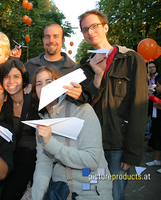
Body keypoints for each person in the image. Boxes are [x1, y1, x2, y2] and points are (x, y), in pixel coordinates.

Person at [78, 9, 148, 200]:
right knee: (89, 193)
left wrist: (131, 153)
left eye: (94, 26)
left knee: (115, 195)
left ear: (106, 27)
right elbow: (83, 103)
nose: (90, 32)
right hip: (90, 145)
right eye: (85, 29)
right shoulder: (85, 65)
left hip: (117, 146)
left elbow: (139, 108)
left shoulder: (132, 59)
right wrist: (96, 75)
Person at [30, 65, 112, 200]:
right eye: (39, 83)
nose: (43, 87)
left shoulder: (82, 111)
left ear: (59, 84)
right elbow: (43, 164)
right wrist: (37, 196)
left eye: (49, 82)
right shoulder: (41, 122)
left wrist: (51, 143)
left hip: (91, 191)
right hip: (62, 192)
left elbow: (91, 160)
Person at [0, 60, 39, 200]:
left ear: (23, 79)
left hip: (39, 158)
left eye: (16, 76)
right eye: (6, 77)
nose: (11, 81)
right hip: (14, 158)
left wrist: (36, 87)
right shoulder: (2, 102)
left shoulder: (34, 98)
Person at [24, 23, 83, 101]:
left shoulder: (74, 70)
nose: (51, 41)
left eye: (56, 36)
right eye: (47, 37)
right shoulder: (29, 66)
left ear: (62, 41)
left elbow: (83, 99)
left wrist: (80, 96)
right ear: (43, 40)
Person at [146, 79, 161, 173]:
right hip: (156, 121)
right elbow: (151, 98)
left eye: (159, 86)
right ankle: (157, 160)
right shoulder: (157, 94)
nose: (157, 88)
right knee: (157, 140)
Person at [145, 61, 160, 142]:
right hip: (146, 98)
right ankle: (147, 134)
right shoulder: (145, 76)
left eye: (153, 67)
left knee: (153, 118)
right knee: (146, 117)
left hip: (156, 98)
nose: (152, 69)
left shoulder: (159, 76)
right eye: (150, 67)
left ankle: (150, 135)